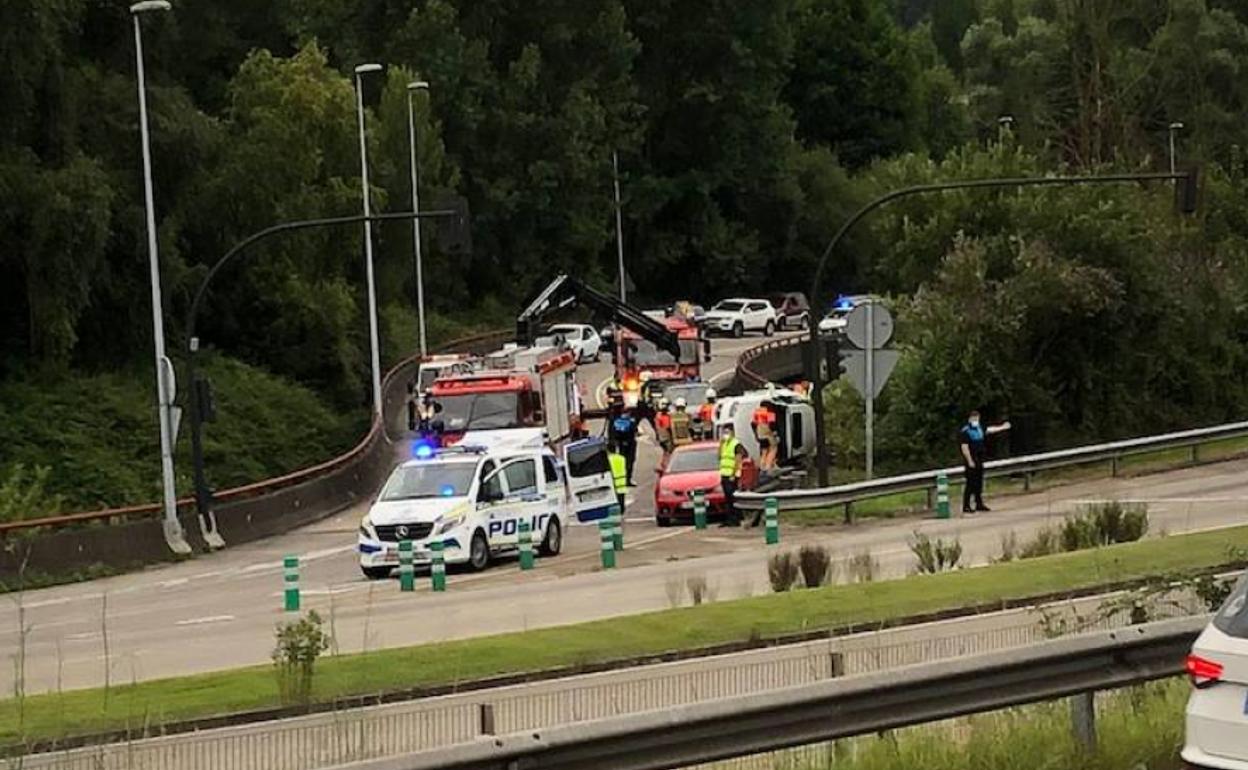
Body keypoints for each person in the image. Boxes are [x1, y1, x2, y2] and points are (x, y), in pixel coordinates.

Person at [958, 409, 1011, 512]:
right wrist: (969, 460)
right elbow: (964, 447)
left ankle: (979, 503)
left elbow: (991, 430)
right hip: (971, 459)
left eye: (977, 418)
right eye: (974, 418)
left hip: (980, 459)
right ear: (969, 419)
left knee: (979, 482)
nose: (976, 420)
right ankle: (966, 505)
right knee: (970, 483)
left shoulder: (979, 428)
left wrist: (1003, 427)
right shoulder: (965, 431)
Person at [718, 425, 745, 527]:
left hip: (732, 475)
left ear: (732, 433)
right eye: (724, 432)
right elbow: (719, 456)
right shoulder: (724, 444)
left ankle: (735, 519)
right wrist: (721, 444)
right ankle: (729, 519)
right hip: (724, 474)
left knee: (732, 498)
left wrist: (733, 474)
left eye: (727, 432)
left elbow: (738, 460)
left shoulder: (736, 444)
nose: (725, 435)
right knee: (727, 499)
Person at [608, 405, 639, 486]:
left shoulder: (616, 421)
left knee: (624, 462)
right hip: (630, 444)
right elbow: (634, 430)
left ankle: (623, 479)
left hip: (622, 445)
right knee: (630, 462)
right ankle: (627, 480)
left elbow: (613, 433)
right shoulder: (630, 421)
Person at [752, 401, 778, 469]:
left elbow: (753, 424)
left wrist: (756, 435)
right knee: (773, 448)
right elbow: (772, 424)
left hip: (760, 434)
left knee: (764, 451)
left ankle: (762, 466)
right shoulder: (770, 411)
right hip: (768, 433)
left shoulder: (757, 412)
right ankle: (768, 466)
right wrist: (775, 433)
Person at [607, 441, 628, 516]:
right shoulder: (622, 458)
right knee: (621, 503)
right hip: (622, 484)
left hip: (612, 485)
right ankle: (621, 512)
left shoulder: (608, 460)